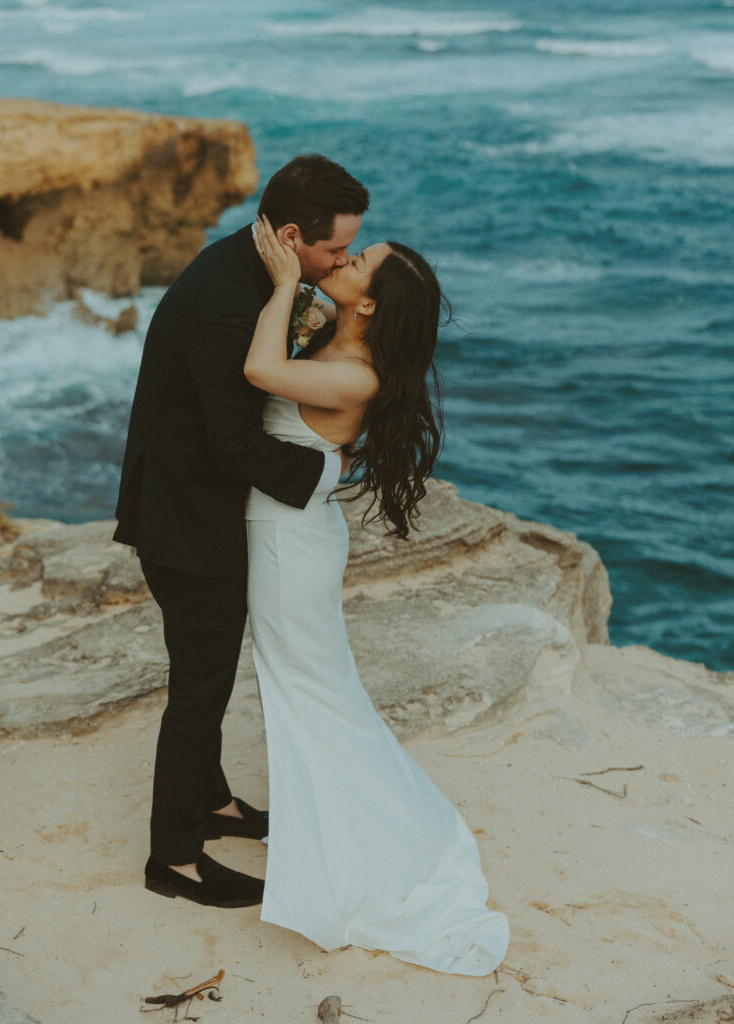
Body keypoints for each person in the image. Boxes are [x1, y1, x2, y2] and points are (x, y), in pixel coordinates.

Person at [241, 216, 510, 975]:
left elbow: (261, 371)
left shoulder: (356, 376)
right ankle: (331, 830)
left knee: (314, 698)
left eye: (358, 261)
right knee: (314, 694)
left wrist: (288, 280)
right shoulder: (340, 335)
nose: (345, 259)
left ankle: (370, 853)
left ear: (369, 306)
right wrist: (304, 296)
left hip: (290, 552)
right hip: (288, 537)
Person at [113, 155, 369, 908]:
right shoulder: (232, 300)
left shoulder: (245, 264)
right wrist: (328, 477)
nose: (343, 260)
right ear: (290, 236)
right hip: (188, 522)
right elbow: (234, 444)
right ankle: (174, 858)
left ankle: (216, 802)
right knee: (199, 688)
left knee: (210, 677)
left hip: (187, 503)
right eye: (332, 250)